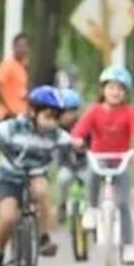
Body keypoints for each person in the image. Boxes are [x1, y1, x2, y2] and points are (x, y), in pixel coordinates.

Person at [0, 86, 72, 266]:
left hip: (36, 174)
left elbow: (73, 142)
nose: (52, 122)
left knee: (41, 191)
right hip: (10, 178)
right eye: (48, 116)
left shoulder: (55, 134)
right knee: (7, 217)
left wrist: (80, 145)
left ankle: (44, 237)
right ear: (33, 112)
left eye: (57, 118)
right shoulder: (14, 127)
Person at [70, 65, 134, 265]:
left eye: (120, 89)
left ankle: (128, 246)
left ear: (125, 93)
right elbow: (79, 131)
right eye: (111, 87)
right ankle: (92, 209)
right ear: (103, 90)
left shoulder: (128, 112)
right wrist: (77, 140)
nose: (115, 92)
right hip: (99, 156)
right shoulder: (94, 111)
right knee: (92, 175)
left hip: (121, 159)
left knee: (124, 204)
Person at [53, 87, 88, 224]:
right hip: (66, 165)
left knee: (91, 182)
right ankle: (61, 205)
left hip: (84, 165)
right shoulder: (55, 129)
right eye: (63, 112)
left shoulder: (85, 126)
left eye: (71, 111)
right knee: (62, 180)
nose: (67, 116)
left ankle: (92, 210)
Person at [0, 32, 30, 120]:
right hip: (9, 115)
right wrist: (8, 108)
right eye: (19, 46)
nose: (22, 49)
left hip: (21, 114)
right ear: (13, 47)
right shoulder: (8, 64)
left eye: (25, 46)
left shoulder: (23, 66)